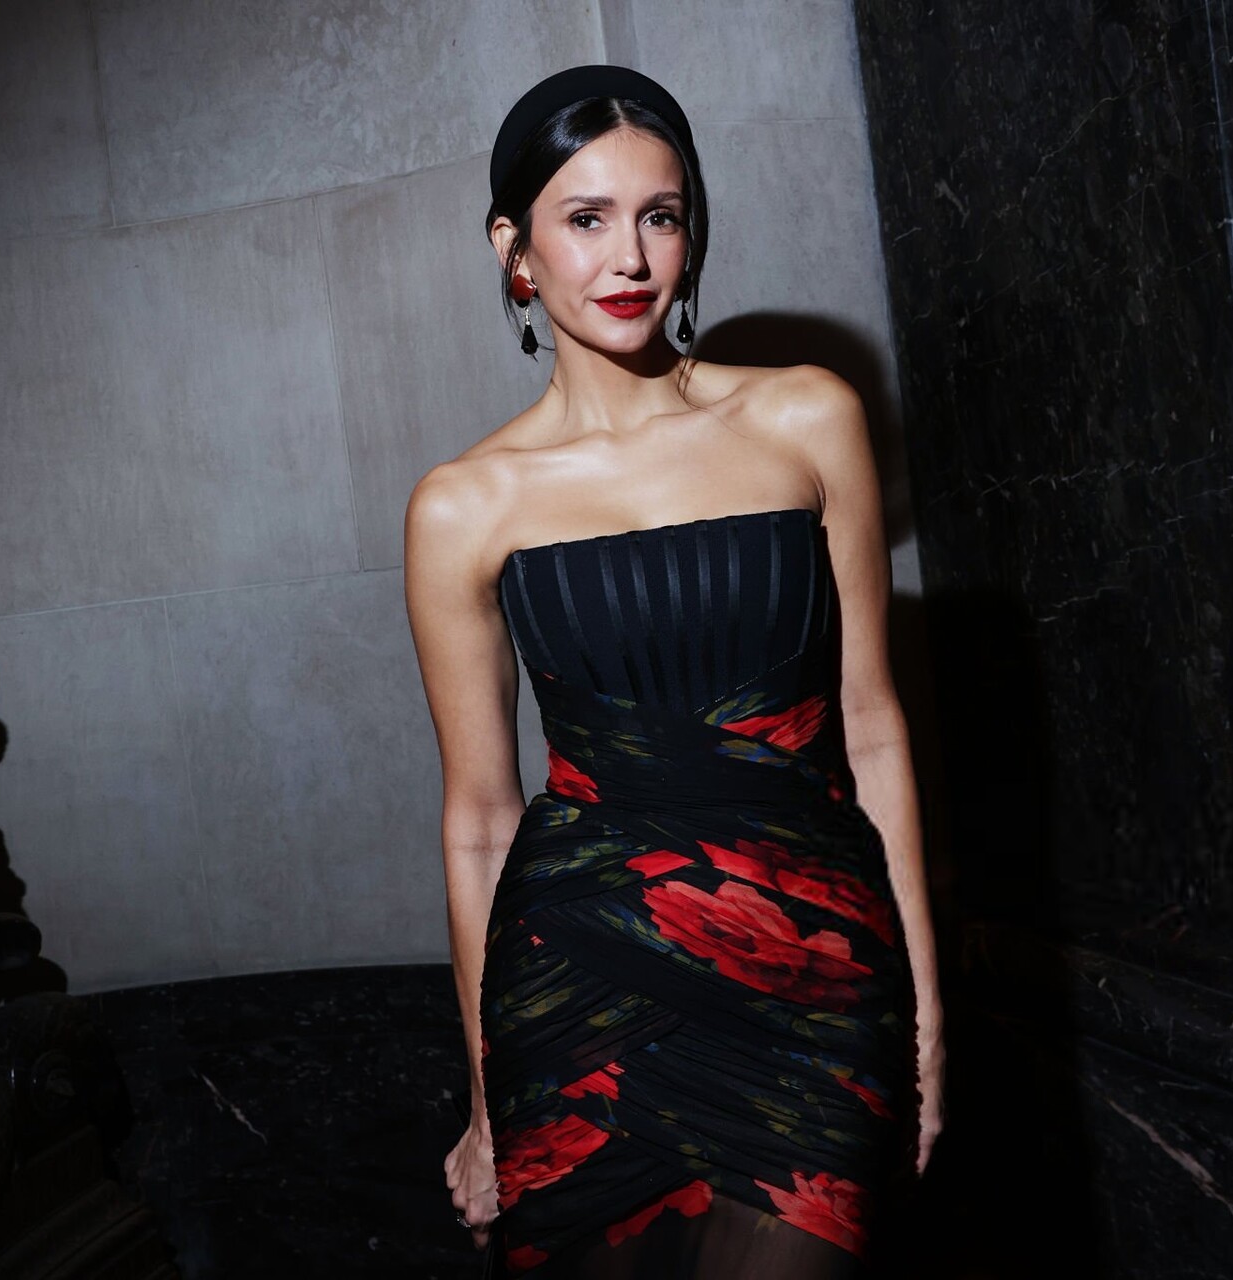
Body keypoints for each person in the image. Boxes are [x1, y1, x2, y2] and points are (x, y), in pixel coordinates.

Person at [403, 64, 945, 1277]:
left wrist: (924, 1015)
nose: (631, 257)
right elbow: (480, 820)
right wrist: (488, 1097)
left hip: (814, 974)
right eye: (586, 218)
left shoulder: (808, 418)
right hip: (580, 988)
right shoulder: (463, 505)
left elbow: (871, 725)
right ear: (515, 248)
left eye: (661, 214)